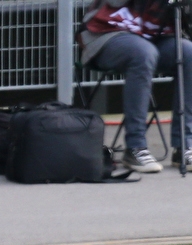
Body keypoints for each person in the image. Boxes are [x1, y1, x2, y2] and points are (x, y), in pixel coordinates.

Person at [80, 0, 192, 172]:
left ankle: (184, 146)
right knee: (143, 53)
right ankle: (135, 147)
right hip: (109, 32)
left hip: (155, 36)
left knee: (189, 53)